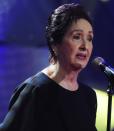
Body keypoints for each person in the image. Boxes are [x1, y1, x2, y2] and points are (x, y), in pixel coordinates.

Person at [0, 3, 97, 131]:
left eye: (89, 38)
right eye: (77, 37)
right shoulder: (35, 91)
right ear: (55, 43)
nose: (85, 45)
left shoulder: (88, 96)